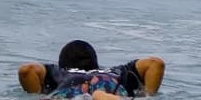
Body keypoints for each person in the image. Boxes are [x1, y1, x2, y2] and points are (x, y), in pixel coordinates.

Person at [17, 39, 165, 100]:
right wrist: (147, 95)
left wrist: (38, 94)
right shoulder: (117, 72)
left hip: (70, 94)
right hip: (111, 91)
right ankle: (101, 96)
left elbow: (26, 70)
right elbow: (156, 63)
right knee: (98, 95)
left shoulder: (59, 73)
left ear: (63, 63)